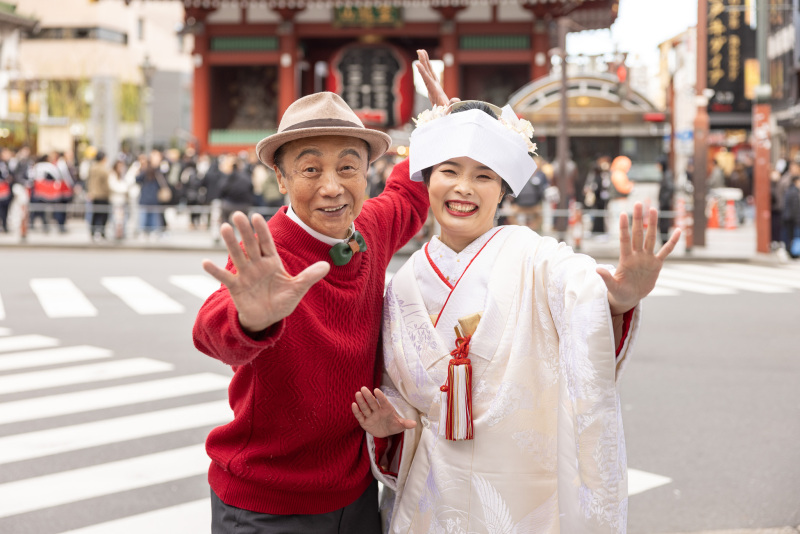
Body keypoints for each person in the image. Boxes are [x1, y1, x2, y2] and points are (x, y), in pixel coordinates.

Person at [351, 100, 680, 533]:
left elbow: (578, 289)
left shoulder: (536, 258)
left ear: (503, 190)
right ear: (427, 178)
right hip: (432, 488)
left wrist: (620, 300)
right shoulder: (403, 286)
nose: (464, 187)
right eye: (449, 171)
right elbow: (398, 392)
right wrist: (389, 423)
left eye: (484, 176)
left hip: (520, 490)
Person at [193, 61, 447, 533]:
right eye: (311, 168)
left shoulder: (367, 227)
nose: (332, 186)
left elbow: (409, 195)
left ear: (366, 172)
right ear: (282, 179)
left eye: (347, 166)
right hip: (266, 501)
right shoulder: (267, 252)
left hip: (354, 492)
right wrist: (250, 319)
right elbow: (213, 332)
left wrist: (437, 122)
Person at [86, 150, 111, 240]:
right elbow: (107, 183)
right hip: (102, 194)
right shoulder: (103, 169)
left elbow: (88, 181)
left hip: (93, 194)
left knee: (95, 214)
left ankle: (93, 232)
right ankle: (102, 232)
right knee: (104, 214)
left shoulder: (92, 168)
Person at [782, 174, 800, 259]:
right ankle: (793, 252)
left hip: (789, 218)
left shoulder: (791, 191)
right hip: (793, 219)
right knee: (794, 236)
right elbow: (795, 208)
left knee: (791, 236)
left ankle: (792, 251)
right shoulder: (794, 192)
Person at [657, 157, 675, 244]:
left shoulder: (667, 175)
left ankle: (664, 240)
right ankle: (663, 240)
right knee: (663, 221)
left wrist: (663, 200)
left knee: (664, 221)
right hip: (664, 202)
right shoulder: (666, 174)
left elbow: (670, 188)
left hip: (665, 204)